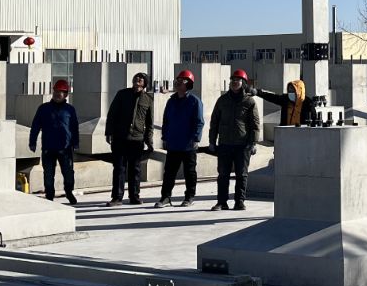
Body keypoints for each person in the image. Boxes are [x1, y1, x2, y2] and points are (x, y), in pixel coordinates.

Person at [208, 68, 261, 211]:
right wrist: (212, 141)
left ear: (243, 83)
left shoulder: (249, 102)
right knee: (223, 174)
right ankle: (221, 202)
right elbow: (214, 122)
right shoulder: (222, 100)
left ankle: (239, 201)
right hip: (225, 143)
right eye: (233, 80)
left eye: (238, 80)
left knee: (241, 175)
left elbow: (255, 125)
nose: (234, 82)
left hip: (242, 145)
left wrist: (253, 143)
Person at [104, 71, 153, 206]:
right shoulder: (122, 94)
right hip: (120, 137)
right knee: (119, 168)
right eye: (136, 77)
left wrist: (149, 140)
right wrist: (109, 132)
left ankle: (134, 196)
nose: (138, 79)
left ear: (145, 84)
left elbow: (149, 123)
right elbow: (112, 114)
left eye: (141, 78)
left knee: (135, 169)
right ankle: (117, 197)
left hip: (137, 139)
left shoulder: (148, 99)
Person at [157, 69, 205, 207]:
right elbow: (166, 121)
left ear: (188, 84)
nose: (178, 83)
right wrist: (164, 137)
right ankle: (165, 197)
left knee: (189, 172)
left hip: (188, 144)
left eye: (181, 81)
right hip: (173, 143)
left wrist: (196, 139)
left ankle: (189, 197)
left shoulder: (194, 101)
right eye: (177, 80)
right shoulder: (171, 101)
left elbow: (199, 122)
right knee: (169, 172)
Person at [29, 78, 80, 206]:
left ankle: (69, 192)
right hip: (48, 147)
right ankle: (49, 196)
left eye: (61, 92)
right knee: (48, 175)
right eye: (56, 91)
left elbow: (74, 127)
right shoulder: (43, 108)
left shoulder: (70, 110)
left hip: (65, 148)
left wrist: (76, 142)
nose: (58, 94)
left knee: (68, 174)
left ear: (66, 94)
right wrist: (32, 141)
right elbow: (35, 126)